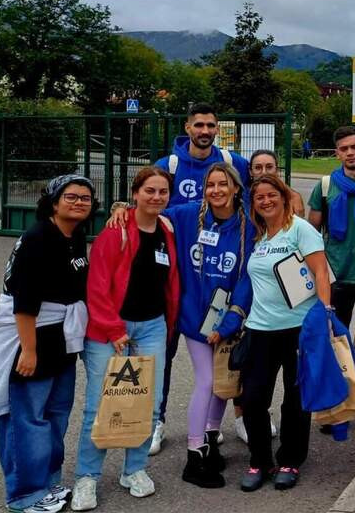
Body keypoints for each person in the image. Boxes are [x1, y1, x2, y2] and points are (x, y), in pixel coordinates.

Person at [106, 162, 255, 488]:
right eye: (210, 185)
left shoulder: (247, 227)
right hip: (193, 318)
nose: (216, 191)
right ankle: (194, 453)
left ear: (235, 188)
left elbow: (246, 279)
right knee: (206, 381)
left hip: (227, 319)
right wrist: (123, 208)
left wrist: (231, 321)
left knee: (221, 384)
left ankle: (211, 439)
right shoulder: (187, 216)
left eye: (222, 185)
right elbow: (149, 211)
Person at [0, 175, 96, 513]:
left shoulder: (73, 234)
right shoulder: (38, 239)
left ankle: (47, 481)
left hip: (61, 337)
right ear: (52, 200)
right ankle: (24, 493)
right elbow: (24, 301)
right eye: (71, 196)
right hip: (33, 335)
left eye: (86, 198)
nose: (79, 202)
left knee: (56, 413)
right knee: (26, 417)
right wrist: (29, 350)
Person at [72, 167, 180, 511]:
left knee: (146, 403)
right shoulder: (116, 229)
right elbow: (97, 285)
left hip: (152, 327)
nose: (156, 197)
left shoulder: (167, 228)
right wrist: (114, 329)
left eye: (163, 191)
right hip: (110, 331)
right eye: (150, 190)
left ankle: (134, 469)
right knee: (100, 406)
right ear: (135, 193)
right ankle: (86, 478)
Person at [150, 103, 249, 456]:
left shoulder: (235, 164)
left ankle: (218, 427)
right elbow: (151, 208)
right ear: (188, 127)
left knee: (222, 370)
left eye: (210, 125)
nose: (205, 130)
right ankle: (156, 421)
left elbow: (255, 207)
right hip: (178, 281)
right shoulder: (170, 166)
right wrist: (122, 208)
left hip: (218, 292)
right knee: (163, 355)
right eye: (199, 125)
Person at [238, 174, 331, 493]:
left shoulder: (300, 229)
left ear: (283, 196)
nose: (265, 201)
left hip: (298, 328)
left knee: (294, 400)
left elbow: (321, 272)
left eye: (270, 194)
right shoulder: (259, 237)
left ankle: (290, 460)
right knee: (251, 398)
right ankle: (259, 460)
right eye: (258, 197)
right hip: (259, 330)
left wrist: (324, 316)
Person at [308, 126, 355, 328]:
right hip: (335, 276)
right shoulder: (325, 186)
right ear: (337, 153)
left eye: (354, 147)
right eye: (344, 149)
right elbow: (311, 233)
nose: (350, 152)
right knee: (335, 341)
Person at [250, 149, 304, 216]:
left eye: (269, 167)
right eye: (258, 168)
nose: (264, 172)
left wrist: (293, 195)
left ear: (277, 170)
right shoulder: (243, 194)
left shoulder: (289, 200)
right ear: (251, 172)